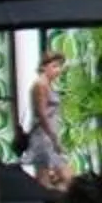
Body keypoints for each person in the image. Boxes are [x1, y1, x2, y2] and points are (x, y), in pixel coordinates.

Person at [22, 46, 73, 191]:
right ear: (44, 67)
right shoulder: (41, 85)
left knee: (50, 176)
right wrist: (53, 137)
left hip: (47, 134)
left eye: (59, 66)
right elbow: (41, 113)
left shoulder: (46, 85)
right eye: (54, 66)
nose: (58, 70)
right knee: (53, 176)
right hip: (43, 136)